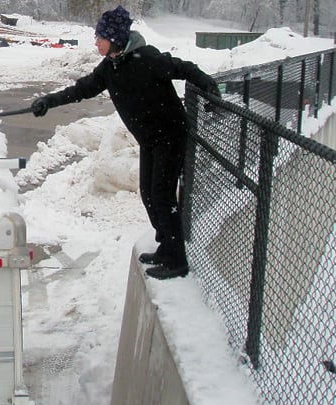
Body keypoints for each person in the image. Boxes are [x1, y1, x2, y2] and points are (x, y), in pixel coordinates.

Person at [31, 6, 220, 280]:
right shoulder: (109, 67)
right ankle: (165, 246)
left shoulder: (148, 59)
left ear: (115, 38)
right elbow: (81, 89)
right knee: (148, 193)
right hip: (150, 140)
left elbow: (184, 68)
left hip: (171, 134)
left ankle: (177, 260)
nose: (95, 42)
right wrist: (48, 101)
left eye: (100, 37)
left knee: (162, 196)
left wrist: (209, 86)